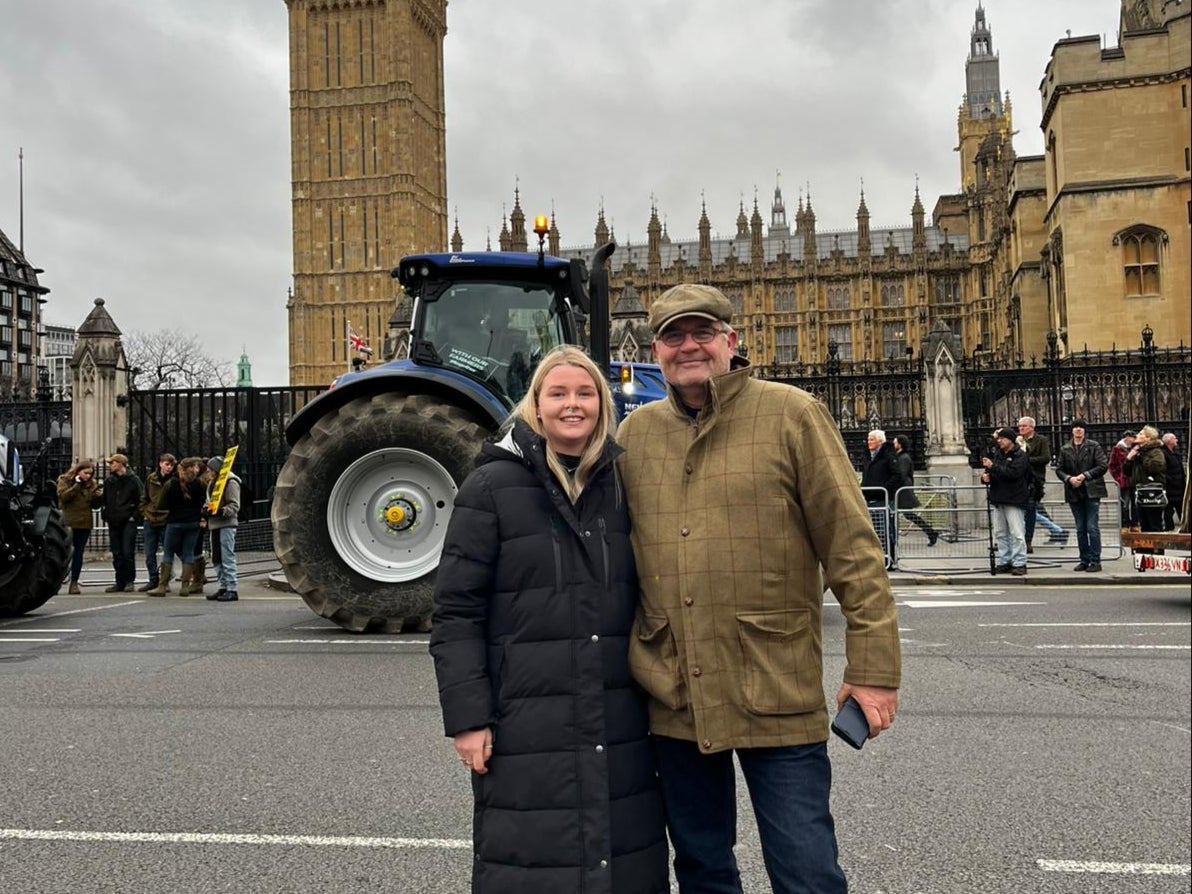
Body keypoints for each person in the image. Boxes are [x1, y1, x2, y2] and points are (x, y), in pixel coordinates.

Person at [616, 283, 900, 894]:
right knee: (701, 867)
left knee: (806, 871)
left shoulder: (793, 414)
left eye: (702, 333)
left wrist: (874, 667)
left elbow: (852, 549)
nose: (688, 346)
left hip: (774, 684)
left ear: (731, 342)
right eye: (673, 335)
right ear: (655, 349)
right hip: (676, 690)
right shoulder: (635, 434)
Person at [430, 346, 669, 894]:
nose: (572, 405)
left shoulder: (621, 484)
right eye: (557, 393)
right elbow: (457, 611)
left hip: (619, 716)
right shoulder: (489, 488)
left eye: (585, 393)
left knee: (623, 857)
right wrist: (468, 718)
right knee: (530, 859)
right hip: (525, 718)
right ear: (535, 406)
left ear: (603, 405)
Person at [1054, 419, 1109, 573]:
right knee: (1080, 528)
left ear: (1085, 431)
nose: (1078, 430)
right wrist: (1069, 478)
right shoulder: (1065, 449)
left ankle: (1095, 560)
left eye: (1081, 427)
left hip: (1091, 491)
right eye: (1075, 427)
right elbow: (1059, 469)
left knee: (1092, 527)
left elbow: (1102, 465)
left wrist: (1084, 475)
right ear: (1071, 431)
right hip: (1074, 491)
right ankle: (1084, 559)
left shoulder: (1093, 446)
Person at [147, 457, 207, 597]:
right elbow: (204, 501)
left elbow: (161, 504)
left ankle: (162, 586)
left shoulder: (171, 484)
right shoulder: (199, 484)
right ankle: (185, 586)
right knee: (188, 553)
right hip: (193, 523)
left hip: (174, 522)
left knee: (168, 553)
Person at [981, 427, 1031, 575]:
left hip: (1014, 498)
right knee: (1000, 533)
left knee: (1017, 533)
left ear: (1010, 439)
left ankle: (1019, 562)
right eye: (999, 438)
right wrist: (985, 478)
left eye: (1002, 438)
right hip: (998, 497)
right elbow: (992, 472)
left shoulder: (1020, 456)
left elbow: (1013, 474)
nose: (999, 441)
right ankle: (1005, 560)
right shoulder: (998, 455)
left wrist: (993, 467)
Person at [1017, 416, 1066, 552]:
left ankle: (1030, 540)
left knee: (1031, 509)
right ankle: (1057, 531)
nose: (1021, 428)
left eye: (1024, 426)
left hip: (1034, 480)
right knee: (1029, 510)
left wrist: (1025, 460)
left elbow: (1045, 458)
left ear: (1032, 427)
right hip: (1019, 480)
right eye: (1019, 426)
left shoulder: (1041, 440)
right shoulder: (1018, 441)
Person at [56, 460, 103, 594]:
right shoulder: (65, 480)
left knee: (78, 554)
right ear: (78, 471)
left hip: (84, 523)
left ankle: (74, 582)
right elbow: (64, 497)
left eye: (90, 473)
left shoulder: (91, 484)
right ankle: (57, 582)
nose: (88, 476)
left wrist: (98, 497)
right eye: (85, 473)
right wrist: (77, 484)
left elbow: (95, 506)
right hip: (69, 522)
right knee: (63, 554)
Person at [101, 453, 143, 593]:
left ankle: (129, 580)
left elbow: (141, 499)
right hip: (113, 520)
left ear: (120, 464)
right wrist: (106, 513)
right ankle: (119, 581)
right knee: (117, 553)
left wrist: (134, 516)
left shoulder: (133, 480)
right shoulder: (109, 481)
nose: (110, 465)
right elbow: (105, 499)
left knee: (127, 552)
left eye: (112, 463)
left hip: (128, 520)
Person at [861, 428, 903, 561]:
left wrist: (883, 488)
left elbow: (897, 475)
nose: (868, 442)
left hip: (882, 498)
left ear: (879, 441)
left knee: (884, 530)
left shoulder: (888, 455)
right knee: (872, 531)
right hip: (869, 498)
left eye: (871, 439)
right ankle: (876, 558)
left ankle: (888, 559)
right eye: (868, 439)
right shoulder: (868, 455)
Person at [204, 455, 241, 602]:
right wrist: (205, 510)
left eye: (210, 469)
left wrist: (221, 511)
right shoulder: (212, 483)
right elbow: (209, 502)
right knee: (217, 557)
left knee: (227, 556)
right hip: (215, 523)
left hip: (226, 523)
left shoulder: (230, 482)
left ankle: (232, 588)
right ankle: (223, 585)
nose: (208, 472)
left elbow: (234, 505)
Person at [137, 453, 176, 592]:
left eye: (171, 465)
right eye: (167, 464)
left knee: (168, 552)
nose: (169, 467)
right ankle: (153, 579)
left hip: (166, 519)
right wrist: (144, 511)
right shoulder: (151, 478)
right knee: (149, 552)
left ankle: (164, 581)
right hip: (150, 518)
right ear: (160, 464)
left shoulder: (174, 480)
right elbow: (145, 496)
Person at [892, 434, 940, 546]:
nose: (893, 445)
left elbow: (901, 475)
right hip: (901, 489)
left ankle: (931, 533)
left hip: (902, 490)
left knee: (905, 514)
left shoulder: (903, 458)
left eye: (895, 443)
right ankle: (931, 532)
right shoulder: (901, 457)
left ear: (900, 444)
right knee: (907, 514)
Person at [1123, 425, 1167, 534]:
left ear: (1148, 438)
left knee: (1154, 522)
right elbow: (1127, 472)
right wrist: (1129, 458)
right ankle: (1145, 549)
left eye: (1141, 434)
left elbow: (1156, 466)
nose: (1137, 435)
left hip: (1152, 492)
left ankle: (1156, 549)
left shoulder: (1155, 451)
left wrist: (1141, 456)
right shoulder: (1137, 451)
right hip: (1139, 491)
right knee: (1143, 522)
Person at [1108, 428, 1138, 531]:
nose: (1133, 440)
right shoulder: (1117, 448)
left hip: (1135, 480)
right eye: (1132, 438)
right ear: (1127, 438)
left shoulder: (1136, 448)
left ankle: (1135, 524)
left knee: (1135, 504)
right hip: (1124, 481)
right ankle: (1125, 525)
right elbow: (1112, 465)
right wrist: (1118, 478)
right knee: (1124, 504)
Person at [1161, 432, 1186, 531]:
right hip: (1170, 488)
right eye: (1174, 438)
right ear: (1169, 441)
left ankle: (1185, 528)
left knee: (1181, 510)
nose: (1177, 440)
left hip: (1179, 487)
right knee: (1168, 511)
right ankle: (1169, 529)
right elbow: (1163, 470)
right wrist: (1170, 480)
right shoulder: (1163, 453)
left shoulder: (1175, 453)